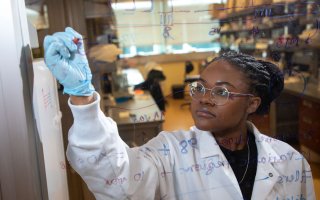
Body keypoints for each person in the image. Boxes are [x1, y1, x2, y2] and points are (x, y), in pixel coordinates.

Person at [44, 28, 315, 200]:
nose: (204, 100)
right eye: (200, 88)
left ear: (252, 104)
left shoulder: (291, 161)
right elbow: (118, 180)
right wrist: (82, 95)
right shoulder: (170, 151)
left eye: (221, 93)